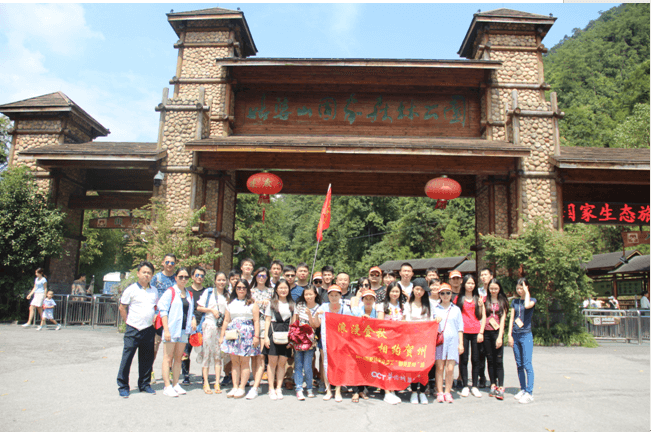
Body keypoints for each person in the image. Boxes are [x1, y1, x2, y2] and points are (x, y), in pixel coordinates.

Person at [116, 261, 158, 398]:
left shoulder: (154, 291)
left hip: (148, 329)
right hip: (133, 328)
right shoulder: (131, 289)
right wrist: (128, 322)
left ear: (152, 275)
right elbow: (122, 307)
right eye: (144, 272)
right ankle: (123, 386)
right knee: (127, 357)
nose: (146, 275)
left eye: (149, 273)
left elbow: (156, 308)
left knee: (147, 358)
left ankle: (144, 384)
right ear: (138, 273)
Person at [158, 267, 197, 397]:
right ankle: (167, 385)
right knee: (167, 358)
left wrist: (193, 319)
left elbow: (189, 311)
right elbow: (162, 310)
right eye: (181, 277)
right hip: (172, 329)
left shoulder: (189, 294)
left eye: (186, 277)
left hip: (183, 330)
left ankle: (175, 383)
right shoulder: (170, 292)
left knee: (179, 358)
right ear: (176, 278)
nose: (184, 279)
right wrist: (166, 330)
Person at [220, 279, 261, 399]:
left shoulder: (252, 304)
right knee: (235, 362)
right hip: (233, 334)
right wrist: (222, 335)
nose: (241, 290)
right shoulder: (230, 303)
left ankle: (242, 387)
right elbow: (226, 320)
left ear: (247, 290)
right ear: (235, 289)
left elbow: (256, 321)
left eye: (244, 287)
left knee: (244, 362)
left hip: (247, 335)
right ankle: (235, 386)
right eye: (239, 287)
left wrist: (256, 336)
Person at [196, 271, 229, 394]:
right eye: (219, 280)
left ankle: (217, 382)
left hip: (221, 328)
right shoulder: (208, 292)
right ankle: (205, 382)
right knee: (207, 354)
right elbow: (199, 307)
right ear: (215, 281)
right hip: (209, 325)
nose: (221, 282)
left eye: (223, 280)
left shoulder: (227, 295)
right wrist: (211, 310)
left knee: (218, 356)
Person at [316, 285, 351, 402]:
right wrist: (316, 315)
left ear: (341, 296)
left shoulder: (345, 309)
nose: (334, 297)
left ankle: (338, 390)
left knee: (339, 365)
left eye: (336, 295)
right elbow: (317, 323)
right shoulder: (324, 307)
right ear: (328, 296)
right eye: (331, 295)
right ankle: (328, 390)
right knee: (326, 364)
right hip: (326, 340)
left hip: (340, 342)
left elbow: (350, 325)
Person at [263, 278, 295, 400]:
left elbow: (294, 322)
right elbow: (267, 320)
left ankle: (278, 388)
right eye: (280, 288)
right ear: (276, 289)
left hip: (286, 334)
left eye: (285, 288)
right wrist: (266, 337)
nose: (283, 290)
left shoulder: (292, 304)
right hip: (273, 332)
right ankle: (271, 388)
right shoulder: (272, 304)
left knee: (282, 363)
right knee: (271, 363)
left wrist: (292, 339)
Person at [432, 283, 464, 403]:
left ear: (451, 294)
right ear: (439, 295)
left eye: (448, 293)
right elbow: (430, 325)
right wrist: (435, 321)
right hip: (440, 341)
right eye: (442, 293)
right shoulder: (435, 308)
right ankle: (440, 391)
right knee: (440, 367)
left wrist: (461, 344)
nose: (445, 295)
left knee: (450, 368)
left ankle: (448, 392)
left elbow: (460, 327)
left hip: (453, 340)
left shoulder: (456, 309)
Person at [455, 274, 485, 398]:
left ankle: (475, 386)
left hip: (476, 332)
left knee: (476, 359)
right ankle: (465, 385)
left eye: (472, 283)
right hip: (463, 332)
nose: (470, 285)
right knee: (464, 359)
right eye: (468, 283)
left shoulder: (479, 298)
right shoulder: (458, 298)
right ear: (464, 284)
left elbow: (483, 316)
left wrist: (481, 332)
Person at [508, 277, 536, 404]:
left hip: (526, 335)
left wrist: (526, 292)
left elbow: (526, 305)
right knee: (519, 364)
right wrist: (509, 335)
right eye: (518, 288)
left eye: (522, 288)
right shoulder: (514, 302)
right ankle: (523, 389)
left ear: (527, 287)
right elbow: (512, 318)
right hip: (516, 334)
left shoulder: (532, 300)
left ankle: (529, 392)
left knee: (527, 364)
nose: (519, 290)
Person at [376, 282, 405, 404]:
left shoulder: (403, 306)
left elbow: (405, 322)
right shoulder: (383, 305)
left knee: (395, 366)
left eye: (397, 291)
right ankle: (387, 392)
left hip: (399, 340)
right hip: (386, 340)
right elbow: (379, 323)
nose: (394, 294)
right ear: (388, 293)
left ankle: (393, 389)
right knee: (386, 366)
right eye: (392, 291)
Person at [150, 254, 177, 383]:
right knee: (155, 345)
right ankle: (149, 371)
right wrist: (154, 312)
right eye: (167, 262)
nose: (170, 265)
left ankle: (169, 370)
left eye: (172, 263)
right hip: (159, 316)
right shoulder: (156, 278)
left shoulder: (176, 279)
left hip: (172, 317)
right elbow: (151, 296)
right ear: (163, 263)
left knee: (170, 346)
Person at [404, 278, 431, 405]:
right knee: (414, 367)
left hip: (426, 341)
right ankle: (414, 392)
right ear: (413, 289)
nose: (419, 292)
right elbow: (406, 322)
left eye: (421, 290)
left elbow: (431, 320)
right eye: (416, 289)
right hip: (412, 341)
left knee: (425, 367)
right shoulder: (408, 305)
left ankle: (423, 392)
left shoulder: (429, 304)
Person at [293, 284, 321, 400]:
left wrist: (310, 315)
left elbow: (316, 325)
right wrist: (293, 334)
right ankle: (299, 388)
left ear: (315, 294)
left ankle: (309, 387)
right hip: (299, 337)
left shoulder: (319, 307)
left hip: (310, 339)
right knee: (298, 364)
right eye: (306, 294)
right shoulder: (299, 305)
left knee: (308, 365)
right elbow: (295, 320)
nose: (308, 296)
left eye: (310, 294)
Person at [181, 266, 208, 385]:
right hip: (188, 326)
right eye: (197, 275)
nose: (200, 278)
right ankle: (186, 375)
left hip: (203, 325)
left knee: (203, 352)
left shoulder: (207, 292)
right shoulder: (186, 291)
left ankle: (204, 377)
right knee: (186, 352)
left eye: (202, 275)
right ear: (192, 276)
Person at [349, 289, 378, 403]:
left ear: (374, 300)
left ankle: (363, 389)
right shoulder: (356, 311)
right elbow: (351, 324)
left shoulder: (376, 313)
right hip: (357, 343)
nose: (368, 301)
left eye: (371, 299)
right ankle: (356, 391)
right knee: (357, 366)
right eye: (366, 298)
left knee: (367, 367)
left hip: (371, 344)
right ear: (362, 300)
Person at [249, 266, 273, 399]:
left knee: (262, 355)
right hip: (251, 323)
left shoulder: (271, 291)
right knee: (254, 355)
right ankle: (255, 381)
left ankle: (256, 386)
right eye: (259, 275)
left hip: (264, 323)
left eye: (264, 276)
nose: (261, 278)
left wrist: (268, 302)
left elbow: (275, 305)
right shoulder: (250, 291)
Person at [483, 278, 508, 400]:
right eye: (491, 288)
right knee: (490, 359)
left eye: (496, 288)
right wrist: (481, 333)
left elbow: (503, 320)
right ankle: (493, 384)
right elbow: (483, 317)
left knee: (498, 360)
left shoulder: (503, 301)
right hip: (487, 333)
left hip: (497, 332)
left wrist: (500, 337)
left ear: (499, 289)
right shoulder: (485, 301)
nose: (493, 290)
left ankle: (501, 386)